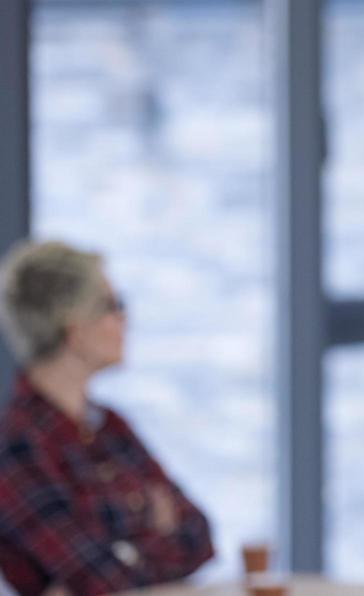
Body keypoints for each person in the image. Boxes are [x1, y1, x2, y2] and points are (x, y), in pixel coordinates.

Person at [0, 240, 214, 595]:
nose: (123, 318)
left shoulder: (110, 427)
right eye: (112, 306)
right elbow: (100, 581)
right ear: (74, 326)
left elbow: (199, 536)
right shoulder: (17, 444)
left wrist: (122, 553)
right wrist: (150, 519)